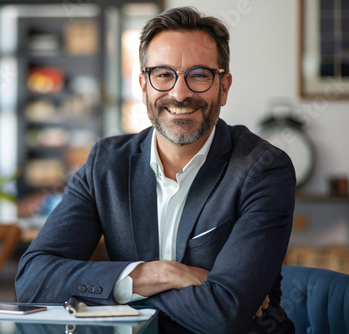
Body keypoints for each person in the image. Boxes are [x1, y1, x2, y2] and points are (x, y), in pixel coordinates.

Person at [16, 6, 295, 333]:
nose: (180, 93)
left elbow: (225, 312)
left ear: (224, 87)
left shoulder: (264, 169)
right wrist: (159, 274)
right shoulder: (106, 163)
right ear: (143, 85)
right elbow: (33, 281)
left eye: (200, 74)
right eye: (163, 74)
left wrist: (116, 291)